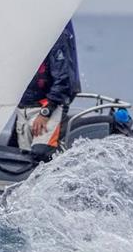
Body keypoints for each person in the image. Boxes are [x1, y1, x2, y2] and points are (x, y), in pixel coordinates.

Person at [14, 21, 82, 160]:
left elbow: (64, 79)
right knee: (23, 157)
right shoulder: (24, 36)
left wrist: (46, 112)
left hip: (46, 107)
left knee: (40, 155)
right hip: (24, 108)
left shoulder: (55, 35)